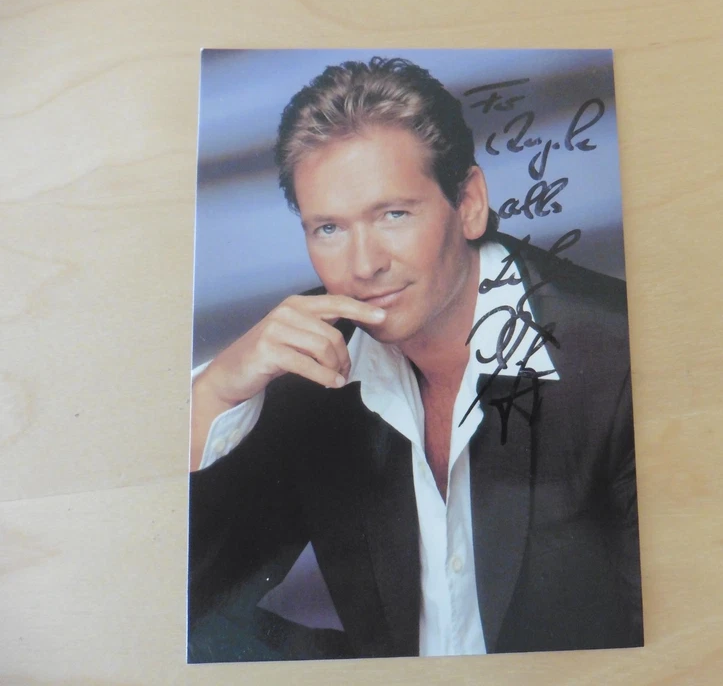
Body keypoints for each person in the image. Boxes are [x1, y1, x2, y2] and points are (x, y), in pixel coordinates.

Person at [188, 57, 642, 662]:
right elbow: (183, 607)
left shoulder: (616, 358)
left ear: (469, 202)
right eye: (328, 229)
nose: (363, 265)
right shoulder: (311, 362)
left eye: (393, 215)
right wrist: (216, 393)